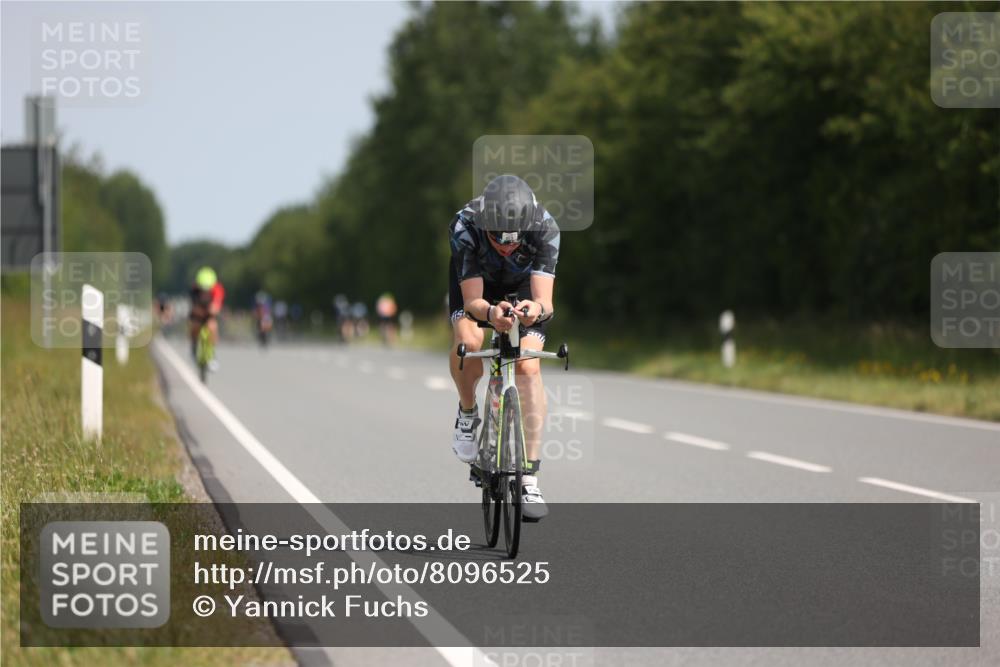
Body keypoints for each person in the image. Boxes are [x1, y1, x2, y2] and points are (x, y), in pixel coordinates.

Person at [448, 174, 559, 520]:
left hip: (523, 286)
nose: (508, 245)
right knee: (470, 342)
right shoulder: (465, 224)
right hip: (477, 287)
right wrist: (491, 312)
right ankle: (468, 412)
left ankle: (529, 476)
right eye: (499, 238)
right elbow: (473, 301)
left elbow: (545, 302)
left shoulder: (544, 227)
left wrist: (534, 310)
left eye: (515, 238)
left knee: (528, 365)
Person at [189, 267, 225, 369]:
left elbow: (217, 305)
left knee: (212, 327)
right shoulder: (194, 290)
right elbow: (193, 306)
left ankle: (212, 355)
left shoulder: (218, 289)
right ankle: (194, 346)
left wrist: (213, 309)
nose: (205, 291)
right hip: (198, 312)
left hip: (210, 312)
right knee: (195, 326)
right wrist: (198, 312)